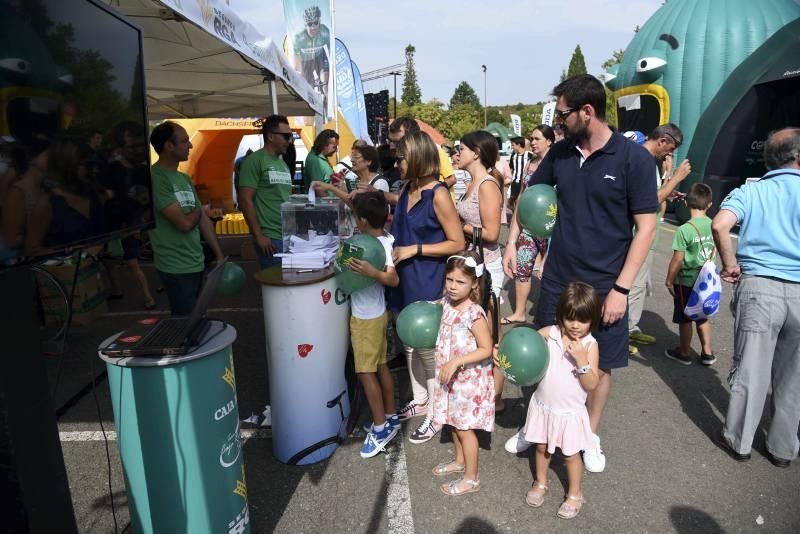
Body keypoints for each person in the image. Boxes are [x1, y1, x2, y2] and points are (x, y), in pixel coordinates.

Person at [501, 75, 657, 472]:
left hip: (606, 284)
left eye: (562, 115)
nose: (557, 123)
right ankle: (535, 428)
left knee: (600, 365)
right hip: (557, 278)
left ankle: (588, 435)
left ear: (587, 112)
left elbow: (647, 228)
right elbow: (531, 196)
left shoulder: (632, 159)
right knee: (545, 356)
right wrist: (512, 241)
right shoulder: (562, 153)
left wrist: (623, 288)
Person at [712, 127, 800, 468]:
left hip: (759, 286)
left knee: (752, 370)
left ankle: (740, 441)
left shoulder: (752, 191)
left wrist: (730, 264)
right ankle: (782, 448)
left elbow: (720, 225)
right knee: (793, 376)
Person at [389, 131, 465, 444]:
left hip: (428, 278)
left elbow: (457, 241)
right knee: (409, 341)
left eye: (401, 158)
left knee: (429, 348)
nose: (397, 164)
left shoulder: (438, 193)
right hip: (404, 278)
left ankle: (436, 412)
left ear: (418, 157)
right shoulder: (407, 188)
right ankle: (420, 400)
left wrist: (415, 249)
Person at [522, 282, 600, 519]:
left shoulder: (589, 345)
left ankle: (575, 493)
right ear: (561, 315)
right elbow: (529, 345)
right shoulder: (551, 333)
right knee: (542, 447)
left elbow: (592, 384)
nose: (575, 325)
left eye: (583, 320)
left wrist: (581, 361)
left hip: (569, 413)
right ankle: (541, 482)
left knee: (570, 454)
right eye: (570, 318)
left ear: (592, 320)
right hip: (544, 406)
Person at [431, 251, 494, 496]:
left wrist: (457, 361)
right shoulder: (446, 302)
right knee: (454, 424)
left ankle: (472, 478)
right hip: (451, 377)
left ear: (474, 284)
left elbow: (486, 349)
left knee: (465, 429)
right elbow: (436, 311)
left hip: (468, 381)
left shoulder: (474, 314)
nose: (453, 287)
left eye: (461, 282)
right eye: (450, 280)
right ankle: (459, 462)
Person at [344, 191, 401, 458]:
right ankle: (389, 415)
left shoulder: (379, 246)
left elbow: (393, 279)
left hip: (366, 317)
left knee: (365, 373)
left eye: (357, 218)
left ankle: (380, 428)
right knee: (380, 366)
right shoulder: (384, 238)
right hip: (375, 314)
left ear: (363, 221)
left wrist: (372, 272)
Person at [628, 124, 692, 351]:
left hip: (648, 235)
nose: (669, 154)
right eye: (670, 148)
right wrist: (675, 178)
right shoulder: (641, 159)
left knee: (639, 286)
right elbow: (649, 200)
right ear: (662, 140)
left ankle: (631, 329)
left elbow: (653, 195)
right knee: (633, 286)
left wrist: (669, 184)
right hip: (638, 236)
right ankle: (622, 334)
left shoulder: (649, 162)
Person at [149, 121, 224, 315]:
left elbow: (201, 220)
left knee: (198, 319)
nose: (190, 145)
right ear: (168, 146)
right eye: (184, 141)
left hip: (196, 262)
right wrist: (203, 210)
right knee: (186, 326)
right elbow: (185, 223)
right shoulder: (156, 178)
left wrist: (218, 254)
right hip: (175, 266)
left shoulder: (183, 178)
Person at [455, 130, 506, 410]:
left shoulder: (486, 185)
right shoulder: (472, 183)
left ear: (476, 152)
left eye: (460, 148)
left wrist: (458, 226)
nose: (456, 153)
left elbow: (492, 232)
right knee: (477, 334)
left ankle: (495, 398)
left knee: (490, 336)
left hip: (486, 268)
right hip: (473, 266)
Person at [502, 125, 554, 326]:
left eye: (537, 138)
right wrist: (512, 239)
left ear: (549, 141)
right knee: (522, 268)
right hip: (529, 229)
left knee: (550, 274)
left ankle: (550, 321)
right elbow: (522, 200)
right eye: (531, 138)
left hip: (551, 229)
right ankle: (519, 312)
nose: (532, 142)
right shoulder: (529, 164)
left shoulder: (557, 165)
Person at [664, 183, 717, 365]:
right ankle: (707, 352)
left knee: (686, 317)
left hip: (686, 281)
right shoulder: (713, 225)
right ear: (709, 204)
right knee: (702, 316)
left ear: (686, 204)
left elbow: (678, 259)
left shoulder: (684, 230)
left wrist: (669, 279)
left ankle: (684, 352)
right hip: (706, 279)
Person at [239, 115, 294, 268]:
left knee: (288, 286)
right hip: (270, 239)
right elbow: (245, 200)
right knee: (276, 287)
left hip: (287, 235)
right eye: (286, 136)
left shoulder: (281, 164)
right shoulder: (254, 161)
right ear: (270, 136)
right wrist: (259, 236)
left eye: (290, 136)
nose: (289, 141)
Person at [387, 117, 456, 191]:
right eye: (390, 141)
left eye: (398, 142)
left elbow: (452, 179)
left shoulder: (433, 151)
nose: (392, 147)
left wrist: (433, 193)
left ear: (413, 137)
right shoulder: (398, 156)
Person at [314, 142, 389, 203]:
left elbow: (362, 209)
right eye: (352, 157)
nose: (351, 160)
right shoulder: (356, 181)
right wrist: (341, 188)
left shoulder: (379, 183)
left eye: (356, 157)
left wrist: (331, 188)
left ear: (368, 161)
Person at [291, 5, 330, 95]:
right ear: (305, 24)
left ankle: (327, 97)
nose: (313, 27)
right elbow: (297, 61)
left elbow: (331, 51)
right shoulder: (299, 38)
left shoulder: (325, 31)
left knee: (325, 84)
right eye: (309, 24)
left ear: (319, 21)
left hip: (320, 56)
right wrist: (301, 75)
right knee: (307, 87)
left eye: (315, 23)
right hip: (305, 60)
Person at [303, 129, 338, 193]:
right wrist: (328, 202)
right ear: (324, 145)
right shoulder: (315, 160)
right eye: (334, 147)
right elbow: (318, 188)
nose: (336, 150)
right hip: (324, 202)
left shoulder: (321, 158)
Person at [508, 136, 530, 211]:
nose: (512, 147)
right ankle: (514, 218)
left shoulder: (529, 155)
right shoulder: (513, 155)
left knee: (523, 202)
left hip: (525, 183)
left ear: (519, 145)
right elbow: (510, 167)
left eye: (513, 145)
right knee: (511, 202)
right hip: (515, 182)